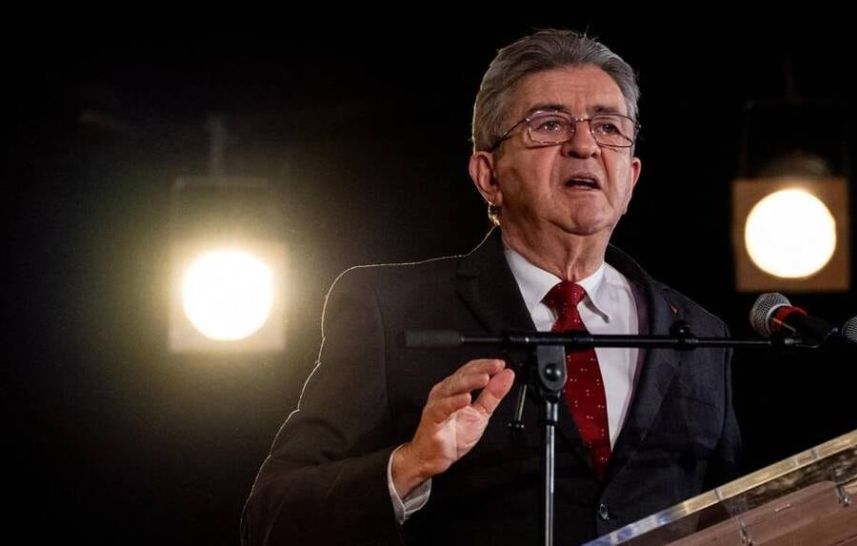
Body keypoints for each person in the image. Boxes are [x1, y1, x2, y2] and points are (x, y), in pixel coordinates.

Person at [241, 29, 741, 545]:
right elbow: (272, 516)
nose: (585, 145)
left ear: (631, 176)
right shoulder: (391, 311)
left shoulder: (698, 333)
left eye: (608, 127)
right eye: (550, 124)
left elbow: (736, 518)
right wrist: (411, 464)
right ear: (489, 176)